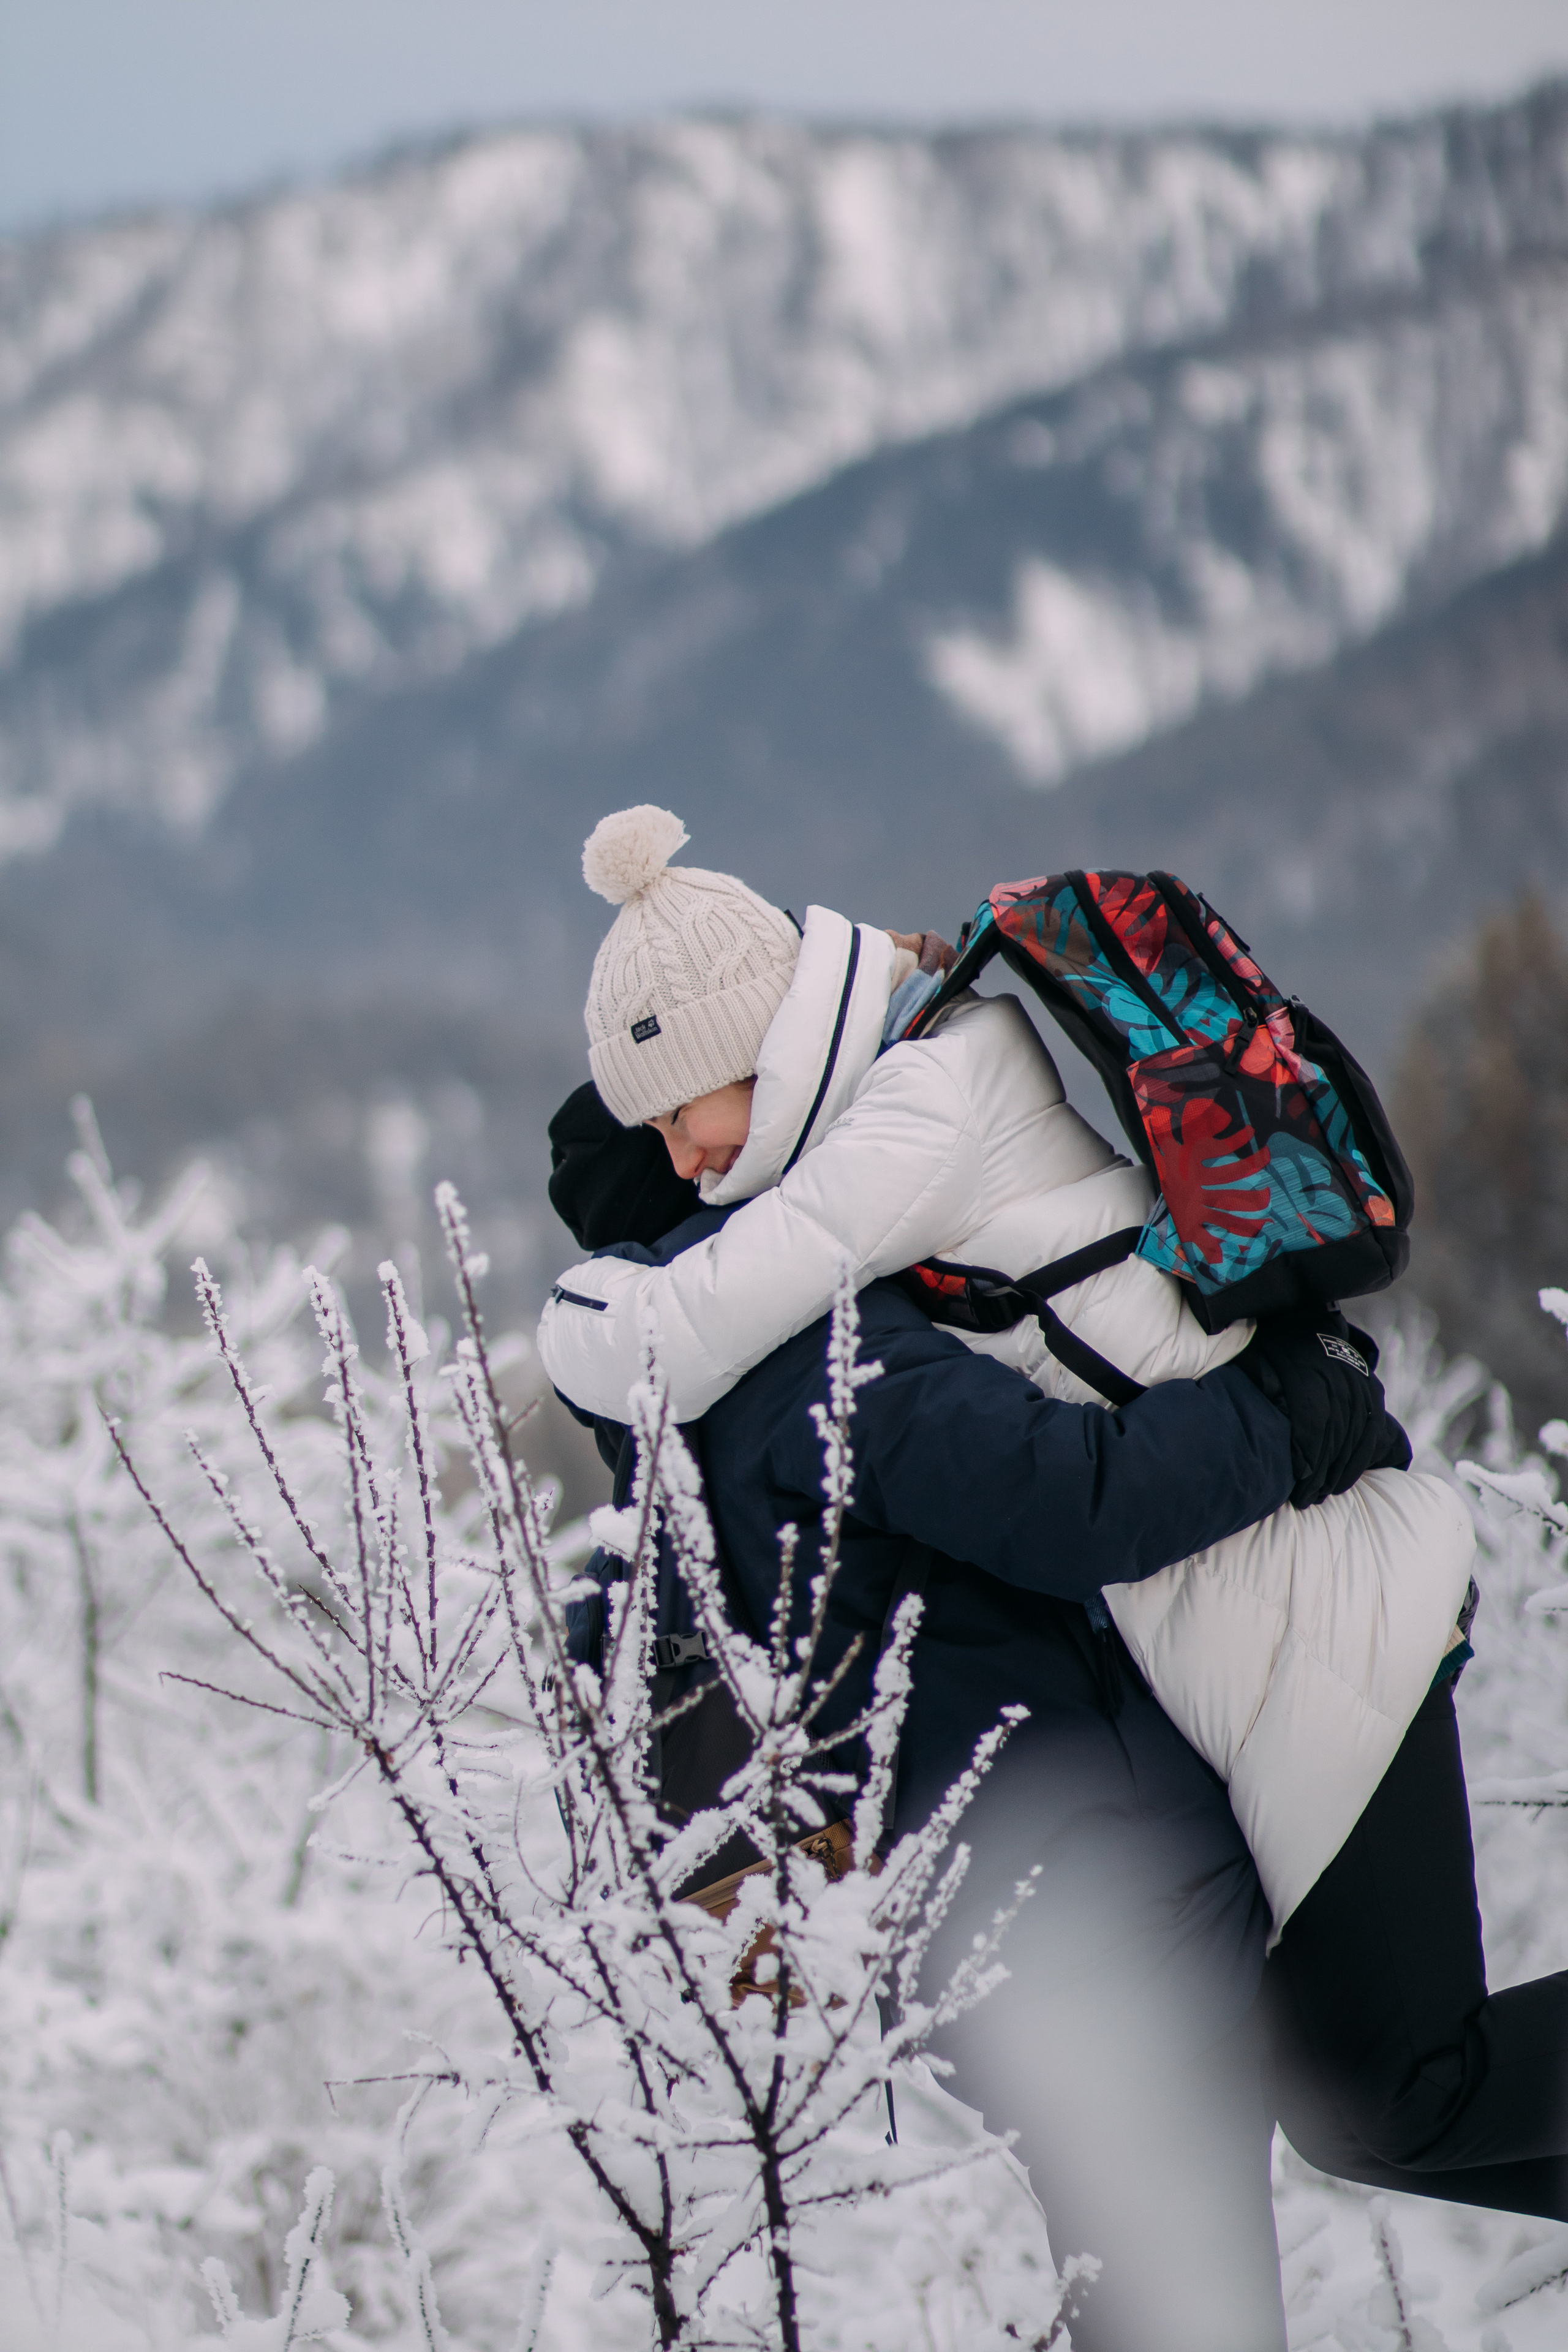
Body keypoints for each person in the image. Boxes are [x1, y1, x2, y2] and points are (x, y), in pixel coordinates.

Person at [538, 804, 1474, 1950]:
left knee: (1407, 2103)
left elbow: (679, 1332)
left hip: (1296, 1557)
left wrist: (577, 1317)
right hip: (1238, 1579)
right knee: (1383, 2112)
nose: (685, 1161)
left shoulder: (905, 1129)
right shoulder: (894, 1095)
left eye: (680, 1115)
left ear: (752, 1051)